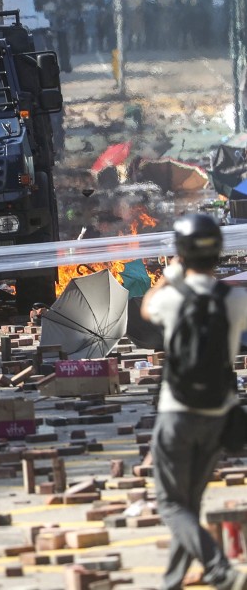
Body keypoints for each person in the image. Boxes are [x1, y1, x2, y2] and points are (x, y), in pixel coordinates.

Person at [142, 213, 247, 590]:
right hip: (218, 415)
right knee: (189, 503)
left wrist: (170, 273)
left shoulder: (171, 299)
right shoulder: (235, 300)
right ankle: (172, 580)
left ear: (182, 253)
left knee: (171, 505)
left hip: (176, 413)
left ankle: (220, 569)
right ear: (218, 252)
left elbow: (145, 307)